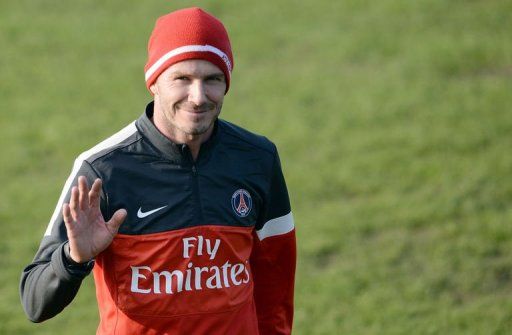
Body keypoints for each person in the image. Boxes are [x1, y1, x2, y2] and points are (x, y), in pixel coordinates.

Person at [20, 7, 296, 335]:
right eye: (182, 79)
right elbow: (34, 302)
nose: (198, 97)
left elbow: (276, 279)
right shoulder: (102, 170)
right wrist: (72, 259)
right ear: (154, 82)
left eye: (213, 79)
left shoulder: (257, 159)